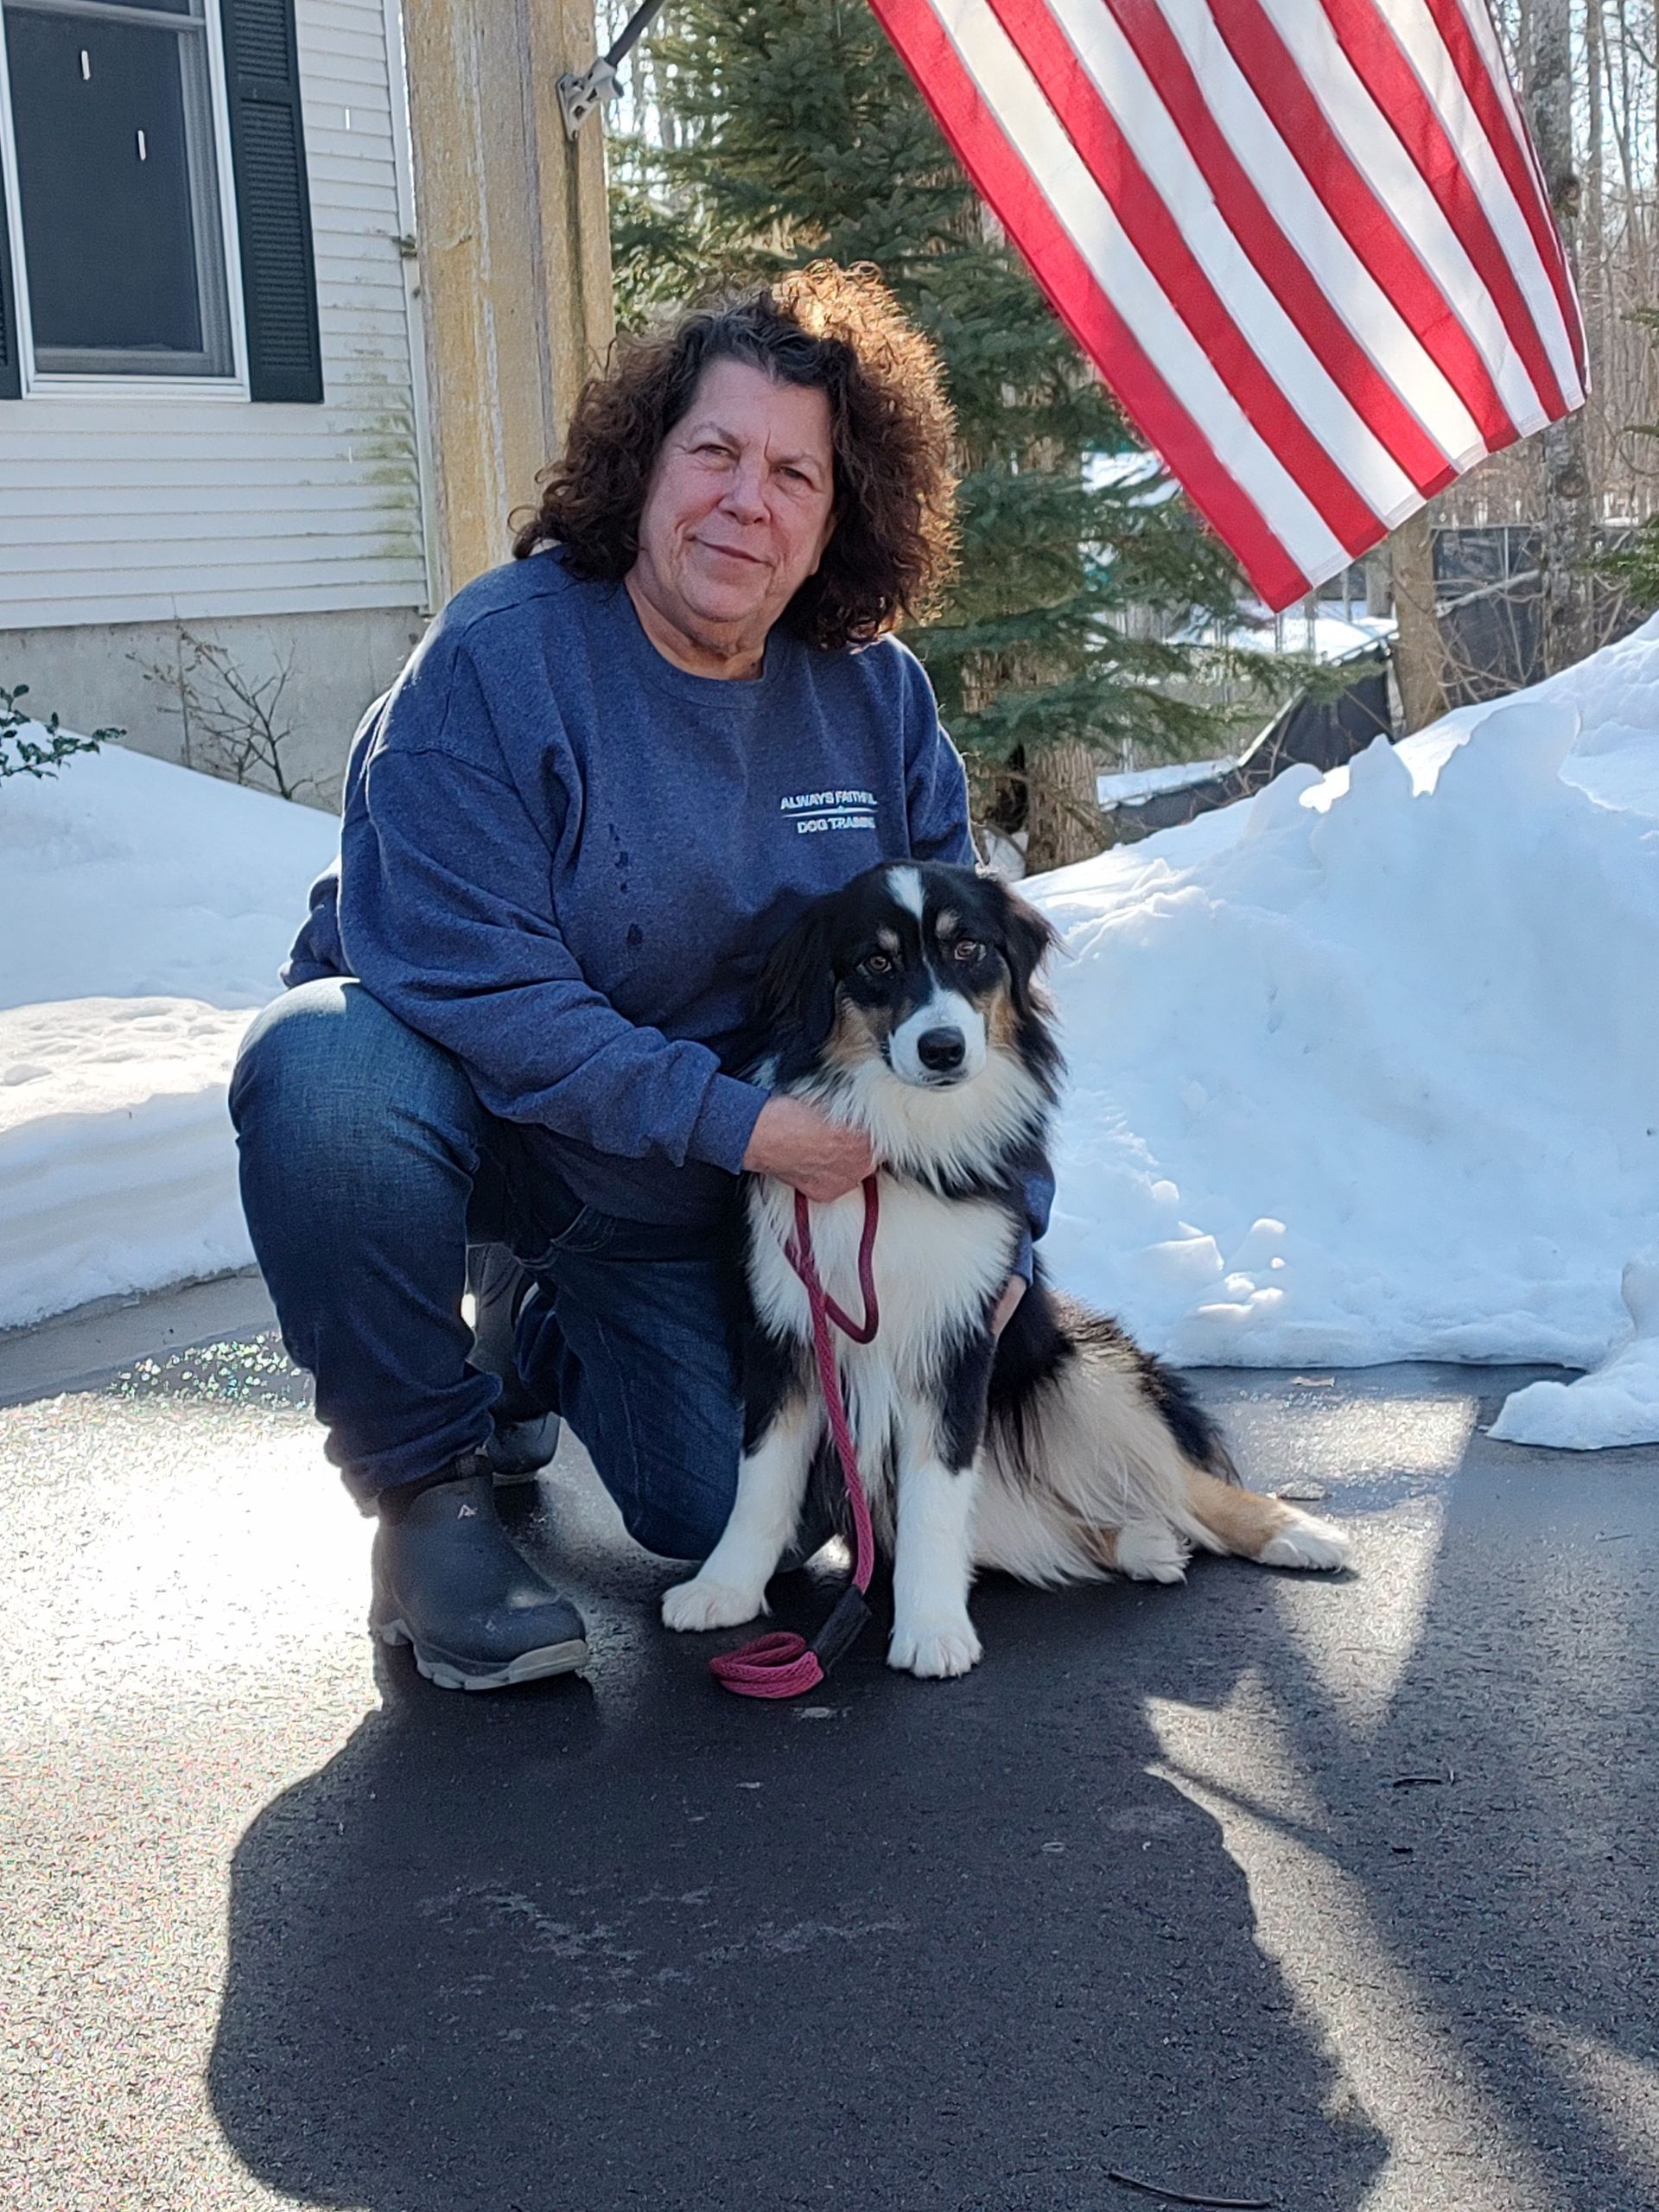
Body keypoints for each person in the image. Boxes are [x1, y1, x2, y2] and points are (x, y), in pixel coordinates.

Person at [230, 263, 1052, 1690]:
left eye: (795, 473)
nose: (748, 501)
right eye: (715, 452)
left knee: (737, 1515)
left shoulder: (876, 696)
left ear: (839, 516)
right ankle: (428, 1497)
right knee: (322, 1072)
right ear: (644, 465)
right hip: (479, 1107)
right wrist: (742, 1125)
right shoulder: (497, 662)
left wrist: (1007, 1237)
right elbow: (484, 986)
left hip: (686, 1181)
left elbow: (970, 1000)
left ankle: (538, 1331)